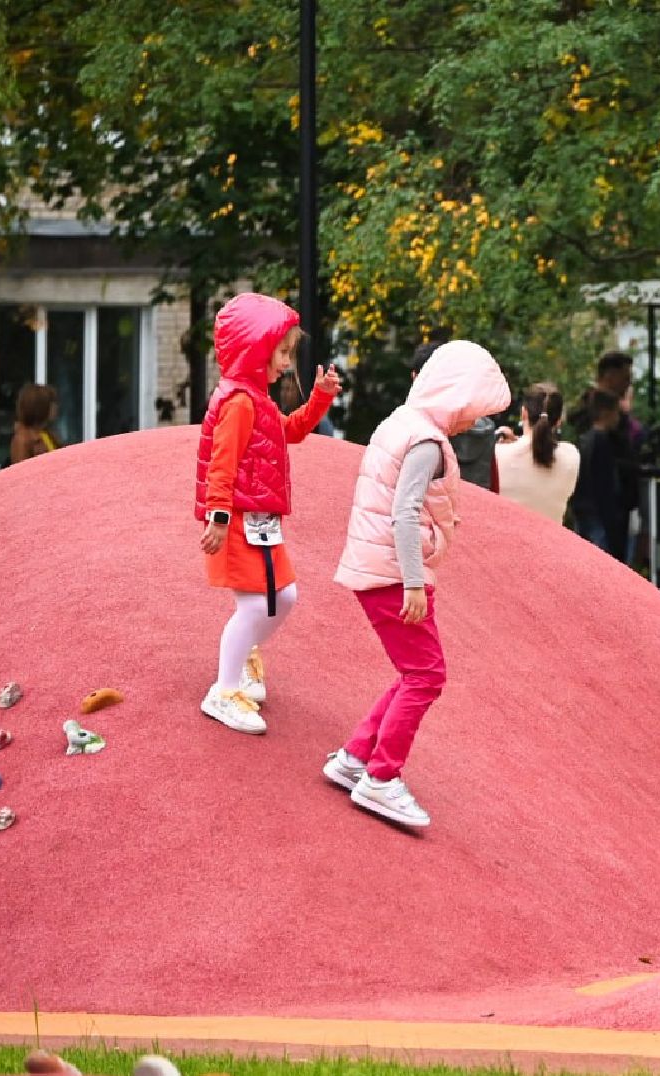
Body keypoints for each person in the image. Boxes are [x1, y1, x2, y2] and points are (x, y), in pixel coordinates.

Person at [324, 340, 512, 827]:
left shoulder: (399, 423)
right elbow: (404, 514)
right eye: (475, 410)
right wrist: (411, 583)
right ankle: (382, 778)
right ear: (456, 396)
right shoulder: (427, 442)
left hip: (379, 565)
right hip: (393, 572)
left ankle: (356, 757)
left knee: (414, 671)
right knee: (427, 676)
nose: (476, 422)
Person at [195, 293, 339, 734]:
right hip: (239, 519)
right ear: (256, 350)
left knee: (284, 598)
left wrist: (320, 398)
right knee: (257, 604)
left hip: (262, 521)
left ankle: (244, 660)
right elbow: (222, 461)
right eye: (282, 352)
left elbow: (290, 431)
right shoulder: (239, 402)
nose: (285, 362)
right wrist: (218, 516)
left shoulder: (257, 399)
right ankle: (223, 690)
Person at [412, 341, 500, 492]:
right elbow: (494, 487)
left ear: (415, 377)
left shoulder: (409, 426)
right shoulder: (486, 429)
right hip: (476, 511)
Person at [494, 381, 579, 524]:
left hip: (507, 542)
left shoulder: (498, 454)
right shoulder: (571, 456)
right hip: (550, 544)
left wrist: (503, 442)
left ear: (523, 413)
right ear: (558, 421)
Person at [570, 388, 627, 557]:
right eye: (616, 413)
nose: (618, 418)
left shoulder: (584, 440)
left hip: (583, 510)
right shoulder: (601, 442)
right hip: (599, 515)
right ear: (605, 413)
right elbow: (605, 483)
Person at [9, 383, 60, 464]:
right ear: (40, 407)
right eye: (51, 404)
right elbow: (22, 472)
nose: (56, 407)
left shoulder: (47, 434)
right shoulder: (22, 439)